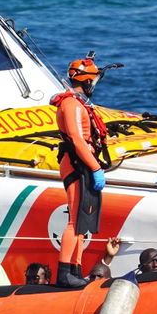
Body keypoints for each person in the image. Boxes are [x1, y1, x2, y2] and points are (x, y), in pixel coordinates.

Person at [50, 55, 109, 288]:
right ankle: (64, 273)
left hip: (83, 162)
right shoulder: (72, 104)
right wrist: (95, 167)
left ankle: (75, 270)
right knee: (75, 221)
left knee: (82, 223)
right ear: (86, 81)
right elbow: (76, 138)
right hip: (77, 163)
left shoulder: (77, 102)